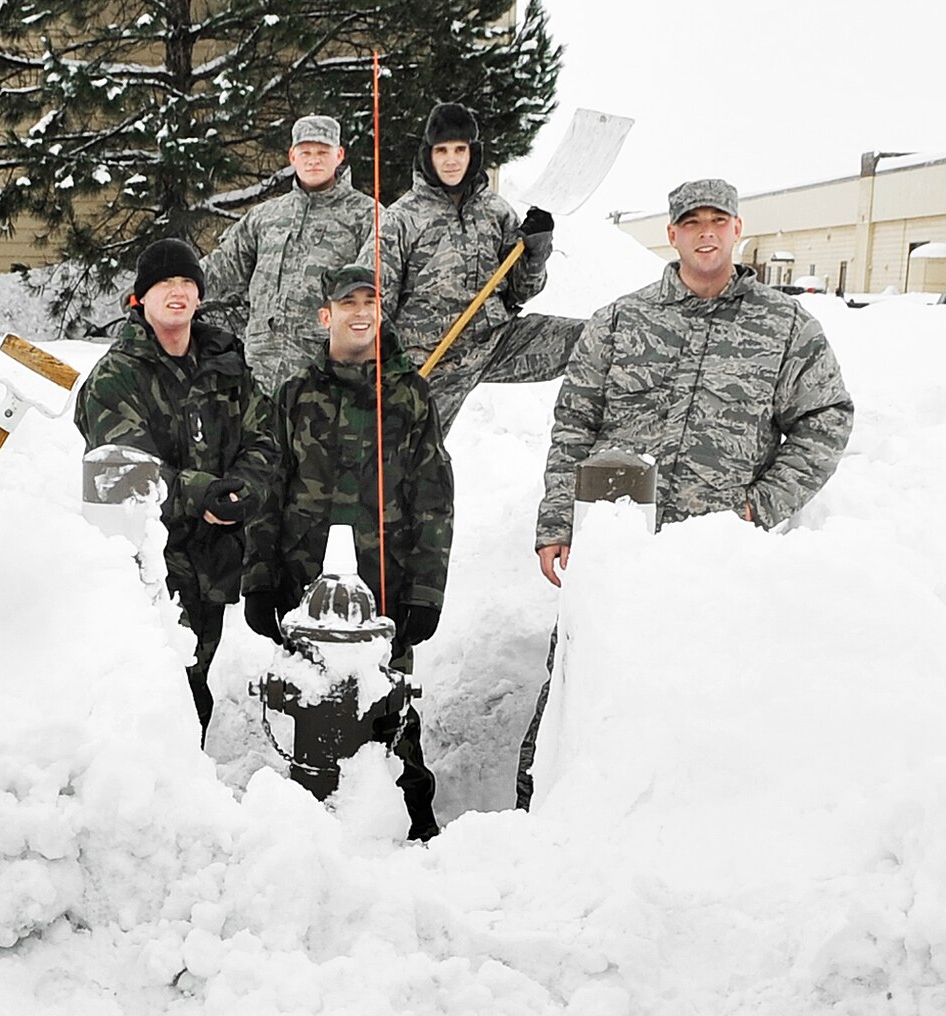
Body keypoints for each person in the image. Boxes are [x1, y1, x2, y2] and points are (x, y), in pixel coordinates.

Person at [514, 178, 855, 807]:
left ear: (736, 229)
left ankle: (673, 827)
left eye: (717, 220)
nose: (705, 232)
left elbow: (826, 417)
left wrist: (762, 505)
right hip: (616, 550)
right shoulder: (621, 320)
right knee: (577, 690)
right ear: (670, 235)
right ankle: (537, 822)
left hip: (711, 558)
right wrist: (558, 523)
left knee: (693, 703)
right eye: (691, 221)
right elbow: (574, 426)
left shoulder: (783, 326)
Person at [241, 264, 455, 840]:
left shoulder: (408, 395)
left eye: (371, 300)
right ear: (325, 315)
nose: (361, 311)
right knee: (307, 704)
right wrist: (258, 580)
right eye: (348, 302)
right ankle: (303, 824)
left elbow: (433, 500)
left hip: (382, 590)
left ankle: (415, 825)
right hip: (302, 588)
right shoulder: (294, 396)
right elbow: (268, 491)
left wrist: (425, 592)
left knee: (389, 707)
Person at [75, 237, 275, 738]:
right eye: (165, 283)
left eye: (187, 282)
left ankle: (183, 790)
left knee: (195, 684)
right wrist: (200, 494)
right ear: (140, 298)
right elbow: (123, 470)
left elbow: (264, 438)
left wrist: (245, 491)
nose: (178, 292)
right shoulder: (115, 377)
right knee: (155, 690)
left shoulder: (226, 367)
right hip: (148, 567)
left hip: (213, 559)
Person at [367, 101, 581, 435]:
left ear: (473, 153)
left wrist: (536, 248)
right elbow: (373, 299)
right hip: (430, 360)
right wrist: (388, 369)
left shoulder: (497, 212)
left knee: (594, 337)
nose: (451, 160)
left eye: (459, 149)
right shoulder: (401, 218)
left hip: (495, 342)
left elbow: (523, 290)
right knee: (409, 463)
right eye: (442, 150)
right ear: (428, 154)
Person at [203, 115, 383, 392]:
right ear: (292, 156)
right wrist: (163, 286)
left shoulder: (368, 217)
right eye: (305, 152)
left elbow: (380, 293)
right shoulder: (266, 216)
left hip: (324, 377)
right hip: (259, 371)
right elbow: (223, 266)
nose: (313, 160)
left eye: (322, 152)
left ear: (339, 155)